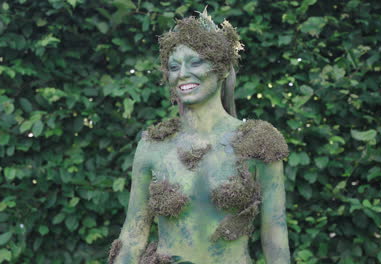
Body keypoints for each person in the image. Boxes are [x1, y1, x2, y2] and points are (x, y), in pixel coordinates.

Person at [108, 9, 290, 264]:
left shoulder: (258, 142)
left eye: (195, 62)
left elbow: (275, 233)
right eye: (174, 66)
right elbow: (134, 232)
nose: (182, 73)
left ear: (223, 68)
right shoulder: (153, 144)